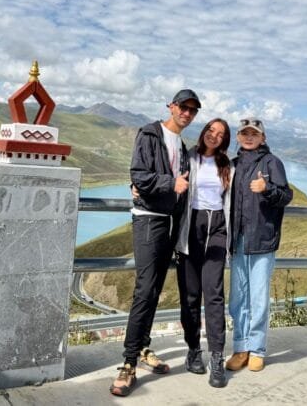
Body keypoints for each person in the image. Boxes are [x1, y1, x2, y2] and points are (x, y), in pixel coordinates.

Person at [110, 89, 201, 397]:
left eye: (193, 110)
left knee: (156, 288)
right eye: (183, 107)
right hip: (149, 219)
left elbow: (179, 188)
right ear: (171, 106)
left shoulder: (184, 147)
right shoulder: (150, 135)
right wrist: (168, 183)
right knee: (145, 289)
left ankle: (144, 347)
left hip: (170, 222)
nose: (187, 113)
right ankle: (128, 363)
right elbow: (138, 174)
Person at [225, 117, 293, 373]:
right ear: (239, 137)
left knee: (259, 298)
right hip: (238, 241)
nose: (249, 137)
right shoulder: (232, 165)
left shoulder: (271, 162)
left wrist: (266, 189)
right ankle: (240, 348)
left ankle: (257, 350)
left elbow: (285, 196)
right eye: (244, 133)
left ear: (263, 138)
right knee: (238, 298)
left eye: (254, 133)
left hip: (262, 241)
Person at [175, 118, 233, 388]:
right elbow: (169, 179)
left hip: (217, 228)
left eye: (220, 134)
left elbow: (234, 200)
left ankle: (217, 358)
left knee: (214, 294)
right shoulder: (188, 157)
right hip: (191, 227)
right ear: (204, 132)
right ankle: (193, 350)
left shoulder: (227, 166)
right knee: (190, 294)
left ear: (224, 140)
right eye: (211, 130)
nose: (214, 136)